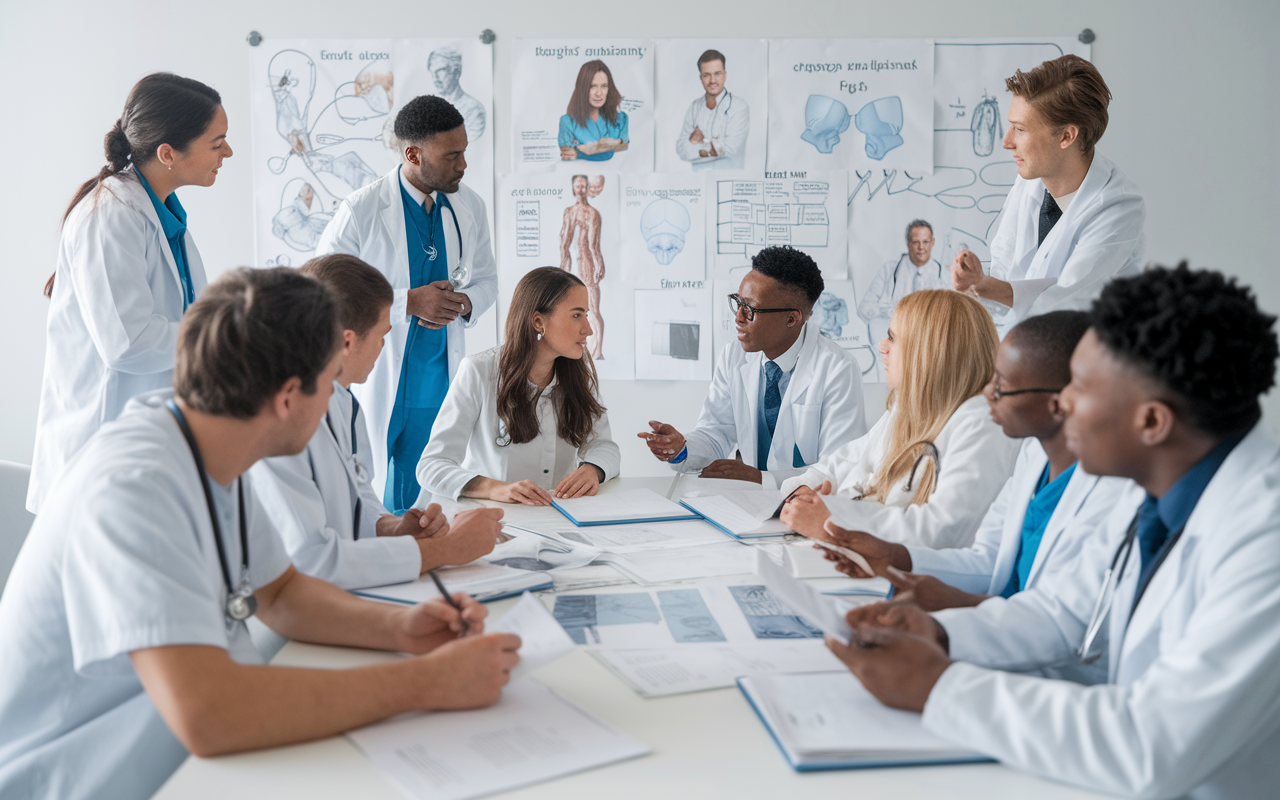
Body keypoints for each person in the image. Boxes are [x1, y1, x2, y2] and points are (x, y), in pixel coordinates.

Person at [0, 268, 517, 800]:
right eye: (328, 381)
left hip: (186, 757)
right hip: (85, 779)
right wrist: (427, 683)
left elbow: (282, 593)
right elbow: (209, 713)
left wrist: (403, 628)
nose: (333, 401)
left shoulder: (211, 450)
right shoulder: (137, 487)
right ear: (289, 397)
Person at [831, 265, 1280, 799]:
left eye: (1082, 389)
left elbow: (1153, 743)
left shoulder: (1263, 536)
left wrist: (938, 685)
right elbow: (1061, 609)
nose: (1061, 404)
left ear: (1152, 423)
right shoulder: (1157, 490)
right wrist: (939, 634)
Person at [820, 311, 1131, 683]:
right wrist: (893, 556)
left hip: (1048, 673)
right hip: (996, 643)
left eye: (1001, 385)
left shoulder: (1113, 492)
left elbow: (1063, 623)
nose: (987, 394)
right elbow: (988, 560)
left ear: (1058, 402)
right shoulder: (1034, 455)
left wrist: (952, 612)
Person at [28, 73, 231, 514]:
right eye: (217, 143)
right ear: (168, 153)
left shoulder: (164, 216)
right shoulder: (112, 215)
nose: (228, 153)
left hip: (148, 447)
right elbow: (129, 343)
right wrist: (226, 338)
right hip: (101, 451)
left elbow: (184, 318)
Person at [251, 255, 500, 589]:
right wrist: (447, 549)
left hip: (342, 590)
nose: (384, 347)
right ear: (348, 342)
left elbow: (358, 492)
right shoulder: (280, 422)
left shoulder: (342, 403)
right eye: (383, 335)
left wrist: (390, 528)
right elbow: (313, 563)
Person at [316, 95, 497, 514]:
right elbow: (320, 289)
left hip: (440, 379)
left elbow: (487, 280)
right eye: (452, 155)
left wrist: (465, 302)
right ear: (413, 154)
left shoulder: (469, 206)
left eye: (465, 152)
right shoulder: (361, 210)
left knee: (431, 494)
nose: (463, 165)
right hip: (376, 377)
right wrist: (407, 302)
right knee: (373, 492)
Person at [779, 289, 1019, 548]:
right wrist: (803, 492)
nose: (882, 346)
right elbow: (842, 463)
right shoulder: (906, 408)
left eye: (893, 338)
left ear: (929, 352)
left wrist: (832, 520)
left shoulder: (983, 424)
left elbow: (941, 532)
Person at [639, 246, 866, 490]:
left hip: (810, 505)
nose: (738, 317)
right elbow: (716, 432)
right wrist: (681, 449)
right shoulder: (733, 357)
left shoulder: (837, 369)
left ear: (792, 319)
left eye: (750, 309)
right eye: (738, 303)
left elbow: (840, 468)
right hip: (749, 503)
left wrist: (761, 479)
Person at [950, 55, 1145, 336]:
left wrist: (983, 285)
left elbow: (1064, 300)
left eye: (1020, 129)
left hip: (1084, 363)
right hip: (1026, 353)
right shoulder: (1030, 182)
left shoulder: (1118, 207)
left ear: (1066, 136)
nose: (1007, 142)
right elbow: (1006, 277)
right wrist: (974, 282)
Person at [418, 267, 620, 506]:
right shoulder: (478, 371)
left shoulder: (579, 375)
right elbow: (431, 465)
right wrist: (494, 489)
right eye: (577, 315)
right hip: (494, 518)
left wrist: (592, 469)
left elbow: (604, 446)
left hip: (560, 517)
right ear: (538, 321)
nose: (589, 328)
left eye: (586, 314)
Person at [856, 219, 950, 346]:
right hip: (895, 345)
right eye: (916, 242)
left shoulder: (945, 276)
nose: (921, 247)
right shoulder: (889, 270)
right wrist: (891, 311)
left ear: (932, 243)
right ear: (908, 243)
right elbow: (864, 308)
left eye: (926, 242)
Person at [675, 49, 750, 171]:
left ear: (725, 75)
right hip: (698, 181)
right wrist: (714, 145)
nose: (712, 81)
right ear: (700, 77)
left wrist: (697, 143)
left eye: (717, 74)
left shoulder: (739, 106)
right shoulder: (694, 107)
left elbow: (730, 148)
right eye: (706, 75)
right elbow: (681, 150)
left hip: (729, 179)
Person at [560, 174, 607, 360]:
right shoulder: (569, 212)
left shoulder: (593, 213)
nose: (580, 189)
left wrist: (599, 264)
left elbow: (595, 245)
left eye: (583, 186)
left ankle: (597, 351)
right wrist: (562, 269)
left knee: (594, 309)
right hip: (570, 267)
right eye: (577, 186)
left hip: (587, 264)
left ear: (588, 188)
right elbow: (564, 243)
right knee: (570, 310)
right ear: (573, 188)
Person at [558, 60, 629, 162]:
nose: (599, 93)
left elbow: (625, 148)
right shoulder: (567, 121)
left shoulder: (622, 119)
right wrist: (615, 145)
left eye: (604, 86)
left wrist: (579, 152)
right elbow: (567, 154)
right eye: (592, 86)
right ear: (582, 88)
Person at [428, 47, 486, 142]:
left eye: (440, 71)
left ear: (456, 72)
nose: (435, 78)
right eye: (432, 72)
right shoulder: (430, 108)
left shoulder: (473, 109)